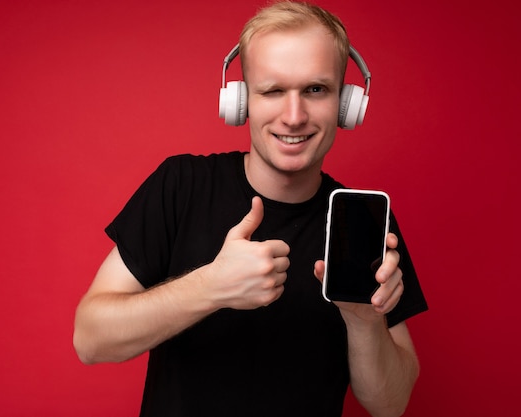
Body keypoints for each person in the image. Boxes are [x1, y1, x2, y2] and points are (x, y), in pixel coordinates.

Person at [73, 1, 428, 416]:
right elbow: (90, 339)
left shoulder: (362, 221)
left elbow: (392, 404)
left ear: (346, 104)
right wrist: (211, 287)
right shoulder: (182, 184)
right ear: (241, 101)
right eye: (273, 90)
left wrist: (364, 320)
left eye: (316, 90)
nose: (294, 117)